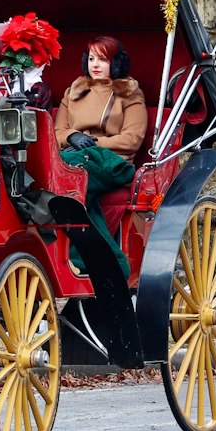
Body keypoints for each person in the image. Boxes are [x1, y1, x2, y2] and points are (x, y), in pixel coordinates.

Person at [54, 35, 147, 277]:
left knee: (71, 174)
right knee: (71, 182)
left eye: (103, 60)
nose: (95, 65)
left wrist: (94, 144)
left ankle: (82, 258)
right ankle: (111, 262)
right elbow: (57, 132)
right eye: (92, 58)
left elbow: (132, 138)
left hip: (112, 162)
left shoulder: (129, 93)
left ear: (115, 63)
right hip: (74, 156)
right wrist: (73, 137)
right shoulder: (73, 92)